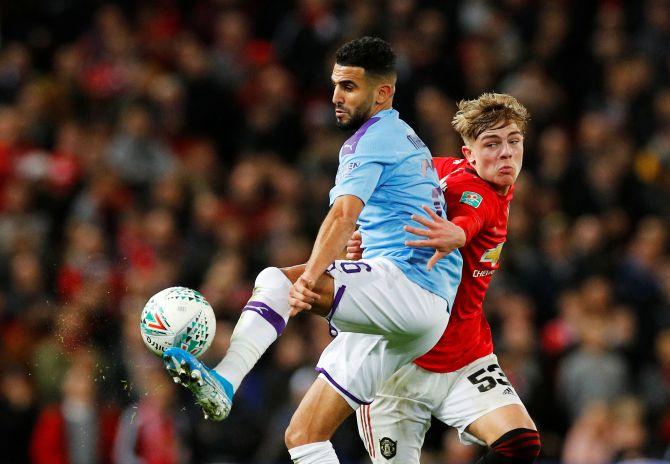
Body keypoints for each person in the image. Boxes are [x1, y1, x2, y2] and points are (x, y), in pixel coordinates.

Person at [161, 36, 464, 463]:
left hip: (410, 289)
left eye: (349, 87)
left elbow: (343, 215)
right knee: (303, 436)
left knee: (276, 280)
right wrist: (362, 253)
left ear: (383, 93)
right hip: (416, 310)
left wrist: (308, 279)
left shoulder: (373, 138)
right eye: (335, 85)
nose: (336, 97)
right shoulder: (404, 137)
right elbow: (389, 219)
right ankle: (225, 385)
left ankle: (226, 381)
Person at [348, 93, 541, 463]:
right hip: (399, 368)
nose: (506, 153)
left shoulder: (437, 168)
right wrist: (458, 232)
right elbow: (471, 212)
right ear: (469, 155)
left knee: (520, 443)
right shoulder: (475, 191)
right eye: (491, 144)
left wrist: (364, 236)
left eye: (513, 141)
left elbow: (386, 186)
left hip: (466, 357)